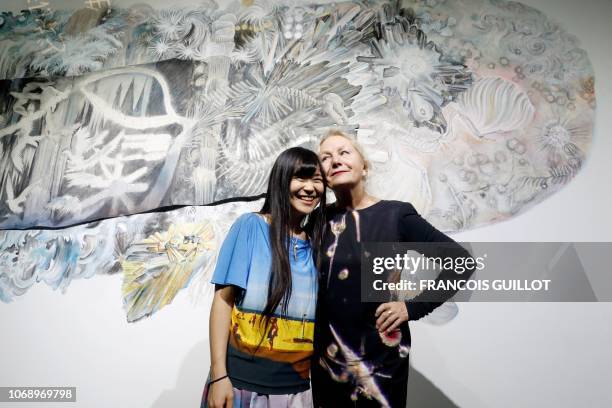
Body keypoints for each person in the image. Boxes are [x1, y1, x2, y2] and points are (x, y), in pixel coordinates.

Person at [311, 130, 475, 408]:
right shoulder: (316, 222)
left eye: (344, 152)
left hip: (382, 364)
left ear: (364, 166)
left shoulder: (395, 215)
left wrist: (412, 308)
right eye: (326, 158)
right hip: (328, 365)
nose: (335, 161)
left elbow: (460, 262)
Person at [203, 147, 327, 408]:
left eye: (317, 180)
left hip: (296, 390)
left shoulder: (319, 242)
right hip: (240, 384)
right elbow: (223, 303)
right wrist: (219, 376)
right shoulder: (251, 227)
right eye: (300, 178)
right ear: (281, 181)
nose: (310, 188)